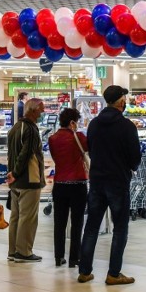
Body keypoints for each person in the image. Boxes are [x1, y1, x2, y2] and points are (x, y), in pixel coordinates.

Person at [78, 85, 141, 285]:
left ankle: (85, 271)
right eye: (124, 98)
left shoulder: (94, 124)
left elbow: (91, 149)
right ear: (121, 102)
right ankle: (114, 273)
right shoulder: (127, 126)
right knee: (120, 228)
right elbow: (135, 158)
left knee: (92, 227)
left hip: (97, 180)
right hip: (118, 182)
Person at [6, 98, 46, 263]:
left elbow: (11, 154)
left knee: (16, 216)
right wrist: (16, 172)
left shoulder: (15, 128)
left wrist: (12, 174)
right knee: (28, 217)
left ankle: (13, 250)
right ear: (33, 110)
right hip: (29, 179)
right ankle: (24, 252)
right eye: (41, 110)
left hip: (15, 182)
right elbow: (26, 154)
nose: (43, 113)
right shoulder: (30, 129)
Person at [48, 108, 88, 268]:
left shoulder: (52, 139)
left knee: (59, 222)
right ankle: (74, 258)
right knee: (77, 222)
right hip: (78, 184)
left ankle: (58, 257)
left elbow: (56, 158)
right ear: (73, 122)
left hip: (59, 184)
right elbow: (86, 149)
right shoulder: (78, 137)